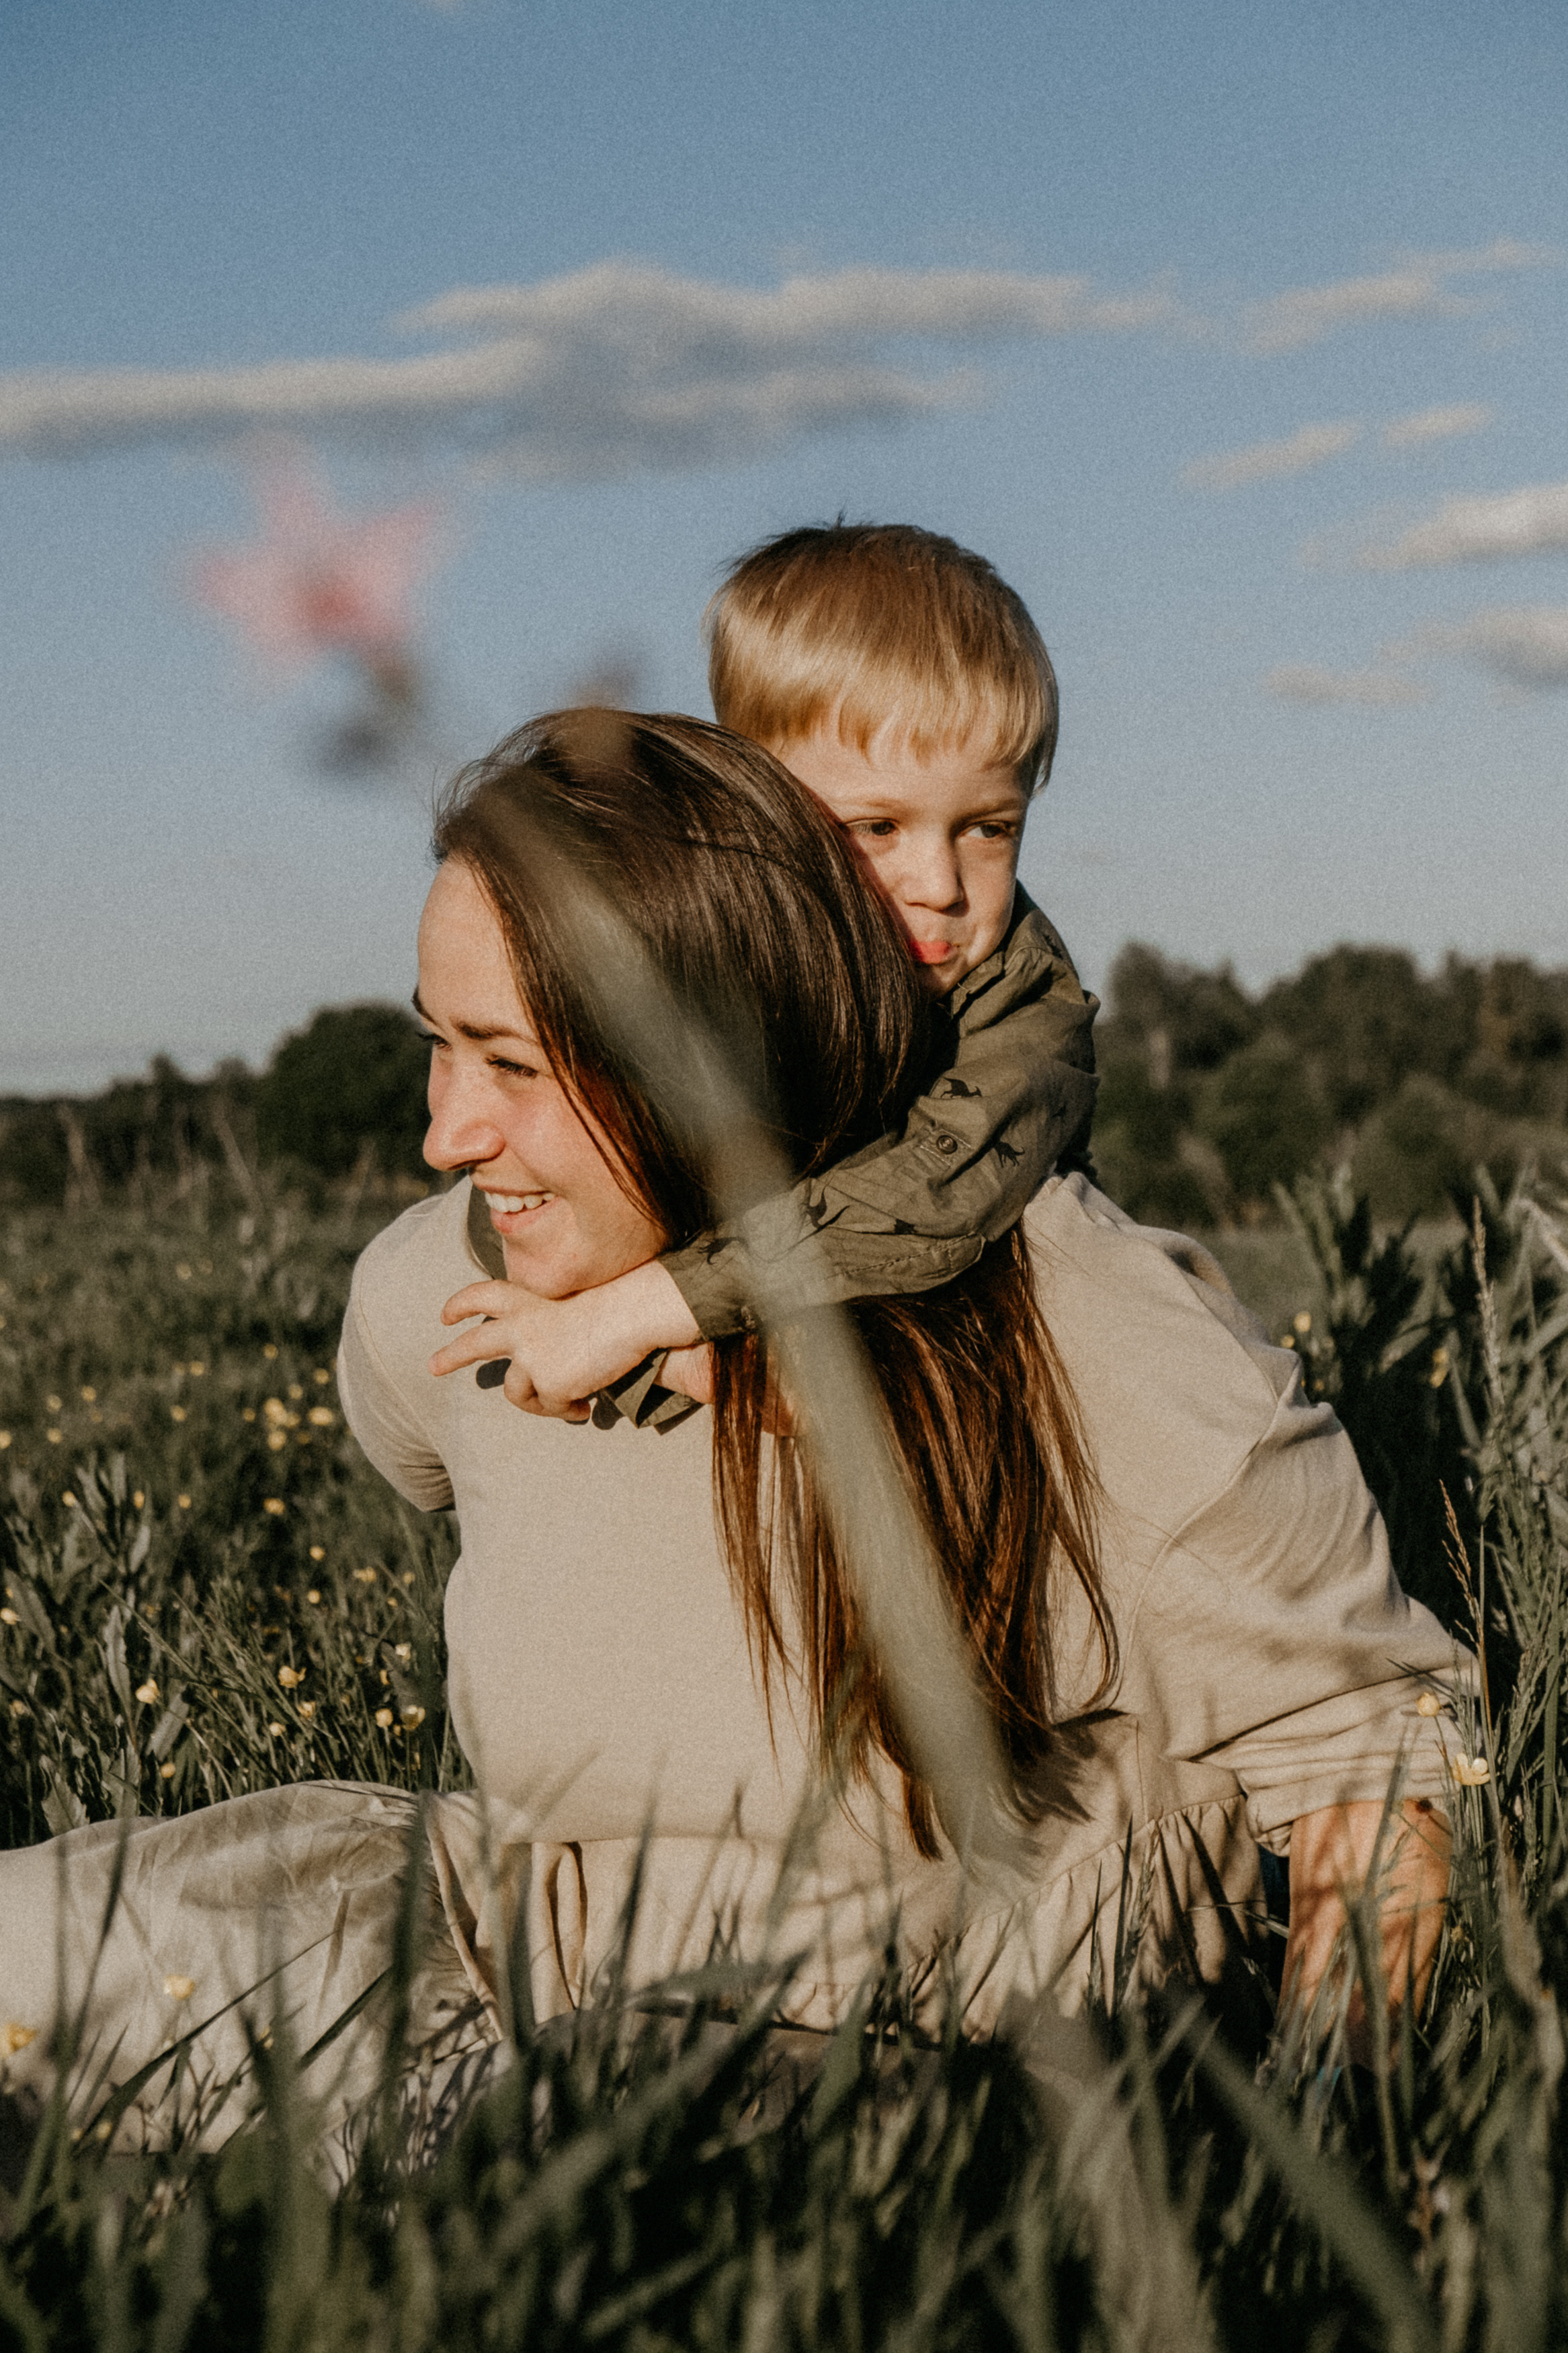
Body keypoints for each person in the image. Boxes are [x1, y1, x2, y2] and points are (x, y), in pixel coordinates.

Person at [0, 713, 1461, 2160]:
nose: (447, 1130)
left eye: (511, 1065)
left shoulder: (1077, 1324)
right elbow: (430, 1453)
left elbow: (1372, 1766)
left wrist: (1331, 2179)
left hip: (914, 2033)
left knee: (564, 2142)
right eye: (436, 1044)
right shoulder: (436, 1291)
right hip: (524, 1939)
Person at [474, 524, 1102, 1427]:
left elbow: (928, 1197)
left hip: (972, 1331)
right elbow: (568, 1159)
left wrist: (639, 1311)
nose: (941, 889)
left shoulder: (1024, 1006)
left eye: (987, 828)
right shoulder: (706, 952)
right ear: (756, 805)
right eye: (875, 829)